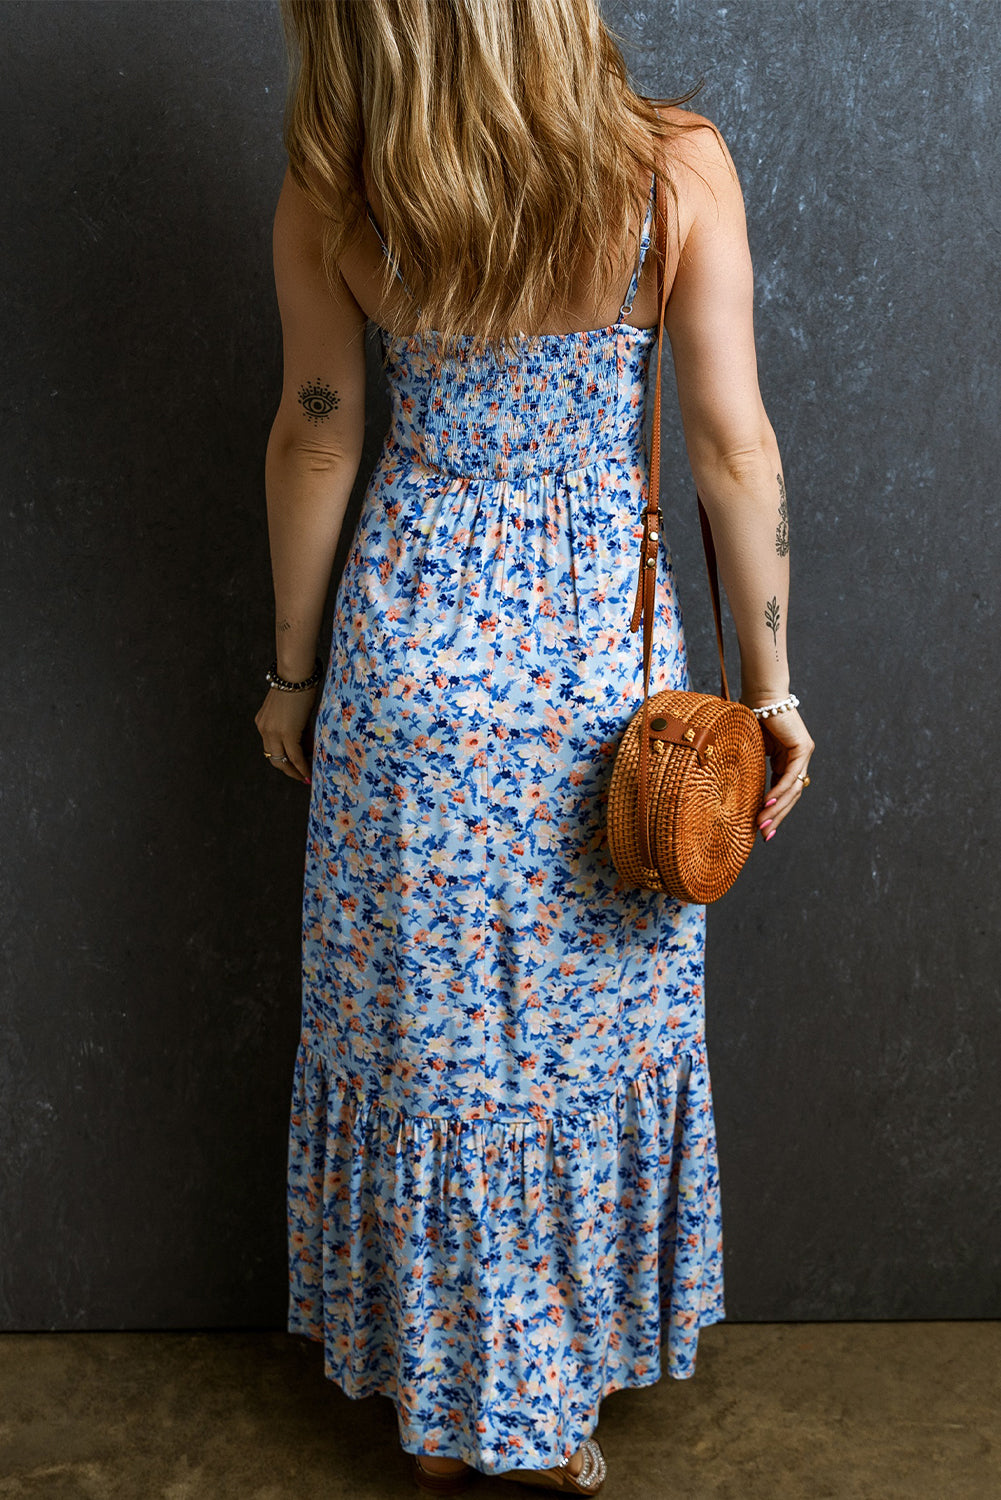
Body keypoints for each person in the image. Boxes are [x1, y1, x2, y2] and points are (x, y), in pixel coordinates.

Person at [255, 2, 814, 1493]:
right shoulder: (671, 170)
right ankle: (543, 1408)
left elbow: (318, 429)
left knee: (431, 1039)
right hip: (595, 674)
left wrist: (292, 677)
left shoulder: (341, 190)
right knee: (577, 1036)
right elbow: (731, 447)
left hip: (411, 658)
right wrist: (769, 691)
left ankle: (449, 1409)